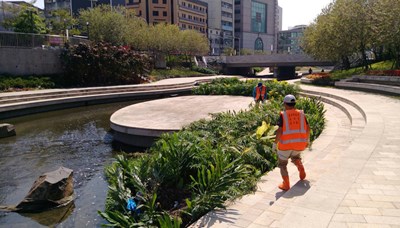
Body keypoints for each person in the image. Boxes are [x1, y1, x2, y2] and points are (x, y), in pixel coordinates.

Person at [273, 94, 310, 191]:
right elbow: (308, 128)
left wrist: (274, 143)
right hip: (299, 145)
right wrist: (307, 140)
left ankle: (286, 184)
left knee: (283, 165)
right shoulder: (301, 114)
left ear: (285, 104)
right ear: (294, 103)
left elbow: (280, 131)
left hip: (285, 146)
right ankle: (300, 168)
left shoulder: (283, 115)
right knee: (295, 157)